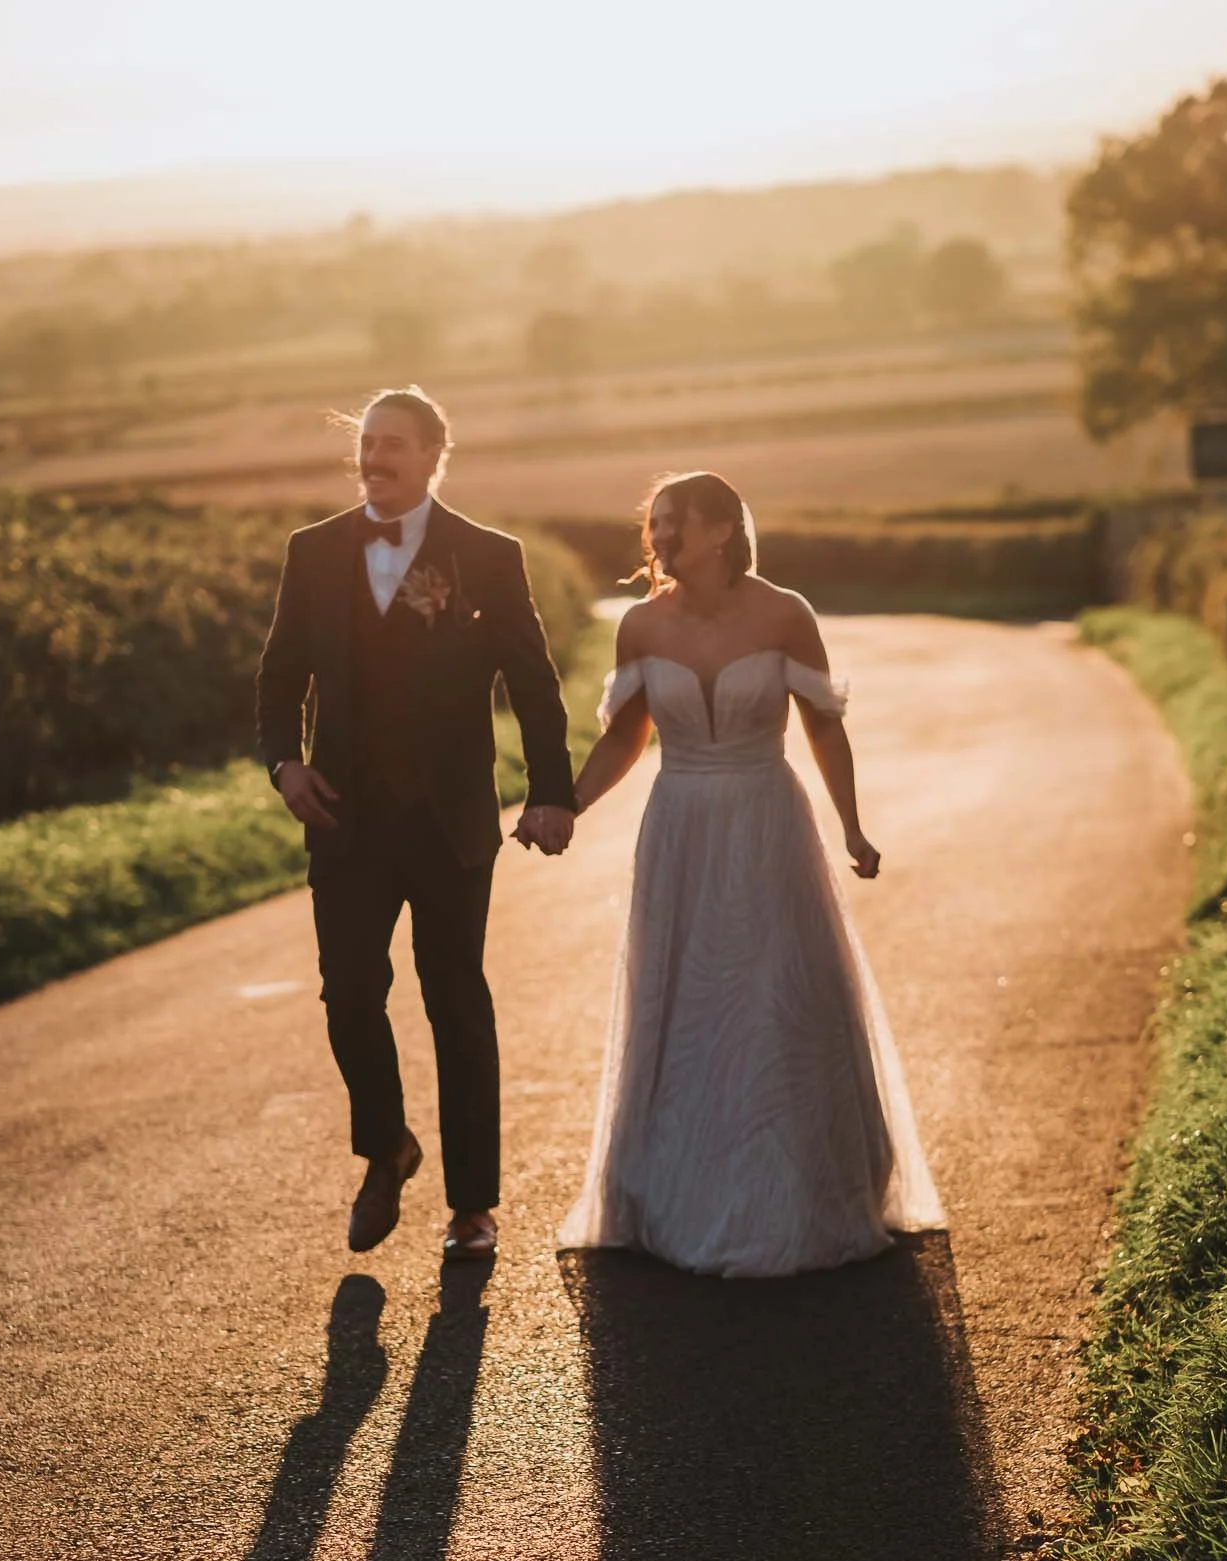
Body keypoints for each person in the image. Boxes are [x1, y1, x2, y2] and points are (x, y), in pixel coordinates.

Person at [559, 471, 943, 1278]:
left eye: (672, 523)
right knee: (686, 1002)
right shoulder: (639, 626)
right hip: (679, 832)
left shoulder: (784, 613)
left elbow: (824, 728)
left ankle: (794, 1196)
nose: (657, 537)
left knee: (775, 998)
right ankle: (674, 1195)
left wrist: (851, 823)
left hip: (767, 822)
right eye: (652, 523)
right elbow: (625, 740)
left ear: (721, 531)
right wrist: (564, 807)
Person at [257, 386, 575, 1260]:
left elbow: (534, 683)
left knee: (454, 1001)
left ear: (437, 454)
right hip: (345, 821)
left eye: (393, 443)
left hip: (450, 823)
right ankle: (387, 1144)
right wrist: (284, 763)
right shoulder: (313, 551)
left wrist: (550, 790)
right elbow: (279, 675)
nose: (374, 457)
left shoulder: (488, 555)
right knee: (349, 995)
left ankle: (472, 1206)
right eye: (366, 442)